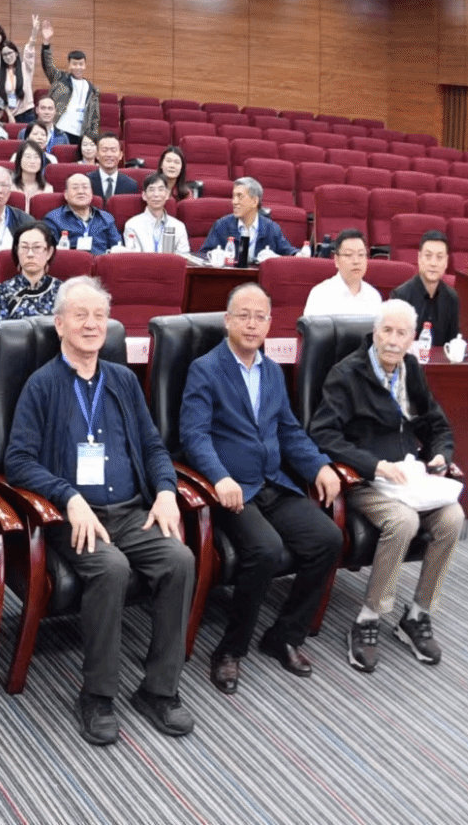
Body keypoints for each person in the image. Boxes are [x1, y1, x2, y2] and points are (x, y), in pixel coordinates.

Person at [5, 275, 195, 745]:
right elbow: (18, 461)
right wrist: (68, 497)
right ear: (59, 323)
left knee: (179, 560)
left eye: (99, 316)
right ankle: (97, 695)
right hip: (76, 517)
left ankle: (159, 689)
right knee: (111, 569)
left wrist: (166, 491)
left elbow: (152, 446)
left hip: (130, 511)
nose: (91, 325)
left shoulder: (123, 380)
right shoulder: (42, 385)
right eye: (81, 316)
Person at [177, 283, 341, 694]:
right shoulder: (205, 369)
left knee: (328, 538)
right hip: (231, 490)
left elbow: (289, 431)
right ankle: (230, 650)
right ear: (227, 321)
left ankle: (284, 636)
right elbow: (194, 435)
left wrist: (319, 465)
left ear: (269, 324)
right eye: (244, 316)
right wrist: (219, 476)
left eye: (260, 317)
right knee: (265, 550)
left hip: (272, 481)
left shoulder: (271, 371)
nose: (252, 324)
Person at [309, 299, 463, 672]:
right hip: (366, 480)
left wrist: (440, 455)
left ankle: (418, 613)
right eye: (387, 331)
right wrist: (374, 465)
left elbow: (437, 425)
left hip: (411, 478)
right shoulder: (347, 374)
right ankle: (368, 617)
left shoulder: (411, 369)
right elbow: (324, 434)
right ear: (375, 333)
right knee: (403, 521)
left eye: (401, 333)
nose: (393, 340)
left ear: (412, 338)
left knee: (453, 517)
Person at [199, 178, 299, 265]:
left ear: (254, 201)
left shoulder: (271, 228)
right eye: (233, 197)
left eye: (240, 196)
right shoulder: (222, 225)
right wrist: (219, 255)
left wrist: (300, 254)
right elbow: (203, 255)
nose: (234, 202)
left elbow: (289, 252)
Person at [34, 16, 101, 143]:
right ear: (69, 65)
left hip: (80, 135)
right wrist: (46, 42)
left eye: (81, 64)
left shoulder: (92, 90)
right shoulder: (60, 78)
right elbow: (48, 65)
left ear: (85, 65)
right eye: (74, 64)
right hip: (59, 130)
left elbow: (94, 118)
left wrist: (92, 138)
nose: (78, 67)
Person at [391, 229, 460, 347]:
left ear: (446, 262)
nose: (433, 263)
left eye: (439, 257)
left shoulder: (451, 297)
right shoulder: (400, 296)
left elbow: (453, 342)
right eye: (428, 256)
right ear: (419, 258)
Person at [0, 221, 62, 321]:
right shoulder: (2, 291)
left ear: (49, 252)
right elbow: (0, 329)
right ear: (17, 251)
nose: (30, 254)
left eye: (37, 247)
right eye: (24, 247)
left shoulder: (62, 291)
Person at [304, 228, 382, 316]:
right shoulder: (320, 294)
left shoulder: (374, 296)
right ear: (336, 260)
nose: (356, 261)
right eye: (348, 255)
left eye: (361, 255)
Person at [45, 174, 122, 254]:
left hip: (101, 260)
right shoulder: (53, 219)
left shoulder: (106, 218)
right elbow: (50, 252)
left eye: (85, 187)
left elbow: (117, 247)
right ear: (66, 194)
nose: (81, 192)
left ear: (91, 193)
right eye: (75, 188)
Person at [121, 174, 190, 254]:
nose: (156, 195)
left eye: (161, 189)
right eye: (151, 190)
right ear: (144, 195)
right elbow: (134, 257)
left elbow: (184, 257)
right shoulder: (132, 225)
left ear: (167, 194)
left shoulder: (178, 226)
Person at [87, 134, 136, 203]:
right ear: (97, 155)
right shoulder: (86, 181)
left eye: (113, 150)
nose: (109, 154)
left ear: (120, 155)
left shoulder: (131, 184)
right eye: (104, 150)